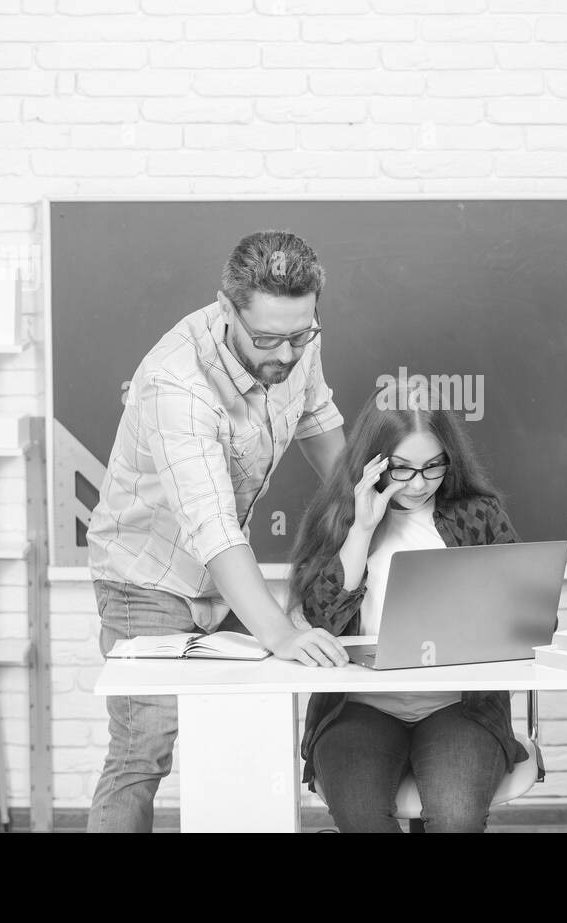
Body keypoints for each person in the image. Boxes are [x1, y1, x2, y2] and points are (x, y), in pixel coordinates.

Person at [86, 230, 351, 833]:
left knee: (249, 732)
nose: (285, 355)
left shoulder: (294, 333)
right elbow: (211, 526)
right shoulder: (175, 385)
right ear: (227, 308)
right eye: (266, 340)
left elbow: (316, 414)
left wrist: (365, 512)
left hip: (225, 571)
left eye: (300, 335)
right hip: (144, 577)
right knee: (142, 750)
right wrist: (281, 633)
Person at [288, 389, 529, 833]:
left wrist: (519, 615)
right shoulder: (339, 517)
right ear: (374, 462)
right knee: (362, 818)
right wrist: (362, 529)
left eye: (433, 466)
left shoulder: (477, 514)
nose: (419, 484)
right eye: (402, 469)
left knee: (456, 818)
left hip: (460, 706)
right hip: (359, 706)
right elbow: (321, 622)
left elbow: (528, 621)